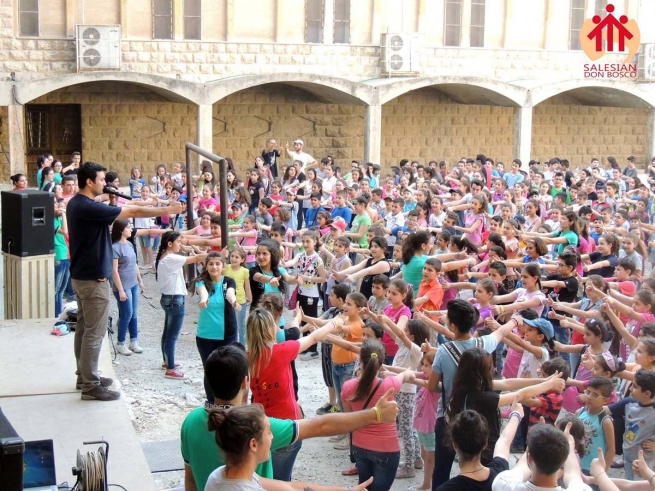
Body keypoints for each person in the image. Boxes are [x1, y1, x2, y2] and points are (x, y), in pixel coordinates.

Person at [181, 344, 399, 491]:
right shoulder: (252, 425)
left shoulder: (194, 427)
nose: (272, 437)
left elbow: (292, 487)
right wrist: (375, 414)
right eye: (269, 434)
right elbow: (321, 425)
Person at [66, 162, 182, 401]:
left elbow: (120, 209)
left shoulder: (80, 204)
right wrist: (167, 209)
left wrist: (111, 198)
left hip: (83, 277)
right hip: (93, 280)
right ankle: (90, 384)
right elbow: (134, 212)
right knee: (94, 333)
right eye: (101, 180)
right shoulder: (86, 206)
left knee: (86, 329)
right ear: (89, 182)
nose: (104, 184)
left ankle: (84, 375)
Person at [154, 230, 207, 380]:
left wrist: (185, 248)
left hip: (168, 298)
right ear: (170, 244)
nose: (180, 244)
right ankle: (170, 369)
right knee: (172, 336)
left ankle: (167, 361)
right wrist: (216, 256)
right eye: (178, 242)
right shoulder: (170, 258)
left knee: (167, 333)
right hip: (175, 300)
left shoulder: (165, 257)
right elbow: (196, 258)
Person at [193, 252, 239, 402]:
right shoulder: (201, 281)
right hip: (206, 335)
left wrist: (233, 302)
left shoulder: (229, 281)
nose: (214, 267)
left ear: (223, 266)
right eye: (211, 264)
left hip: (227, 334)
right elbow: (203, 292)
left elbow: (230, 293)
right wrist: (204, 299)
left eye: (218, 264)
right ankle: (211, 402)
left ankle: (227, 401)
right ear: (206, 266)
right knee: (209, 370)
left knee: (227, 369)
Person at [492, 424, 591, 491]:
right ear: (563, 461)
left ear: (529, 457)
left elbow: (521, 467)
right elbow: (572, 474)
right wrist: (570, 444)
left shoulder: (504, 484)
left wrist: (534, 442)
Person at [111, 220, 145, 356]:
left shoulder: (130, 244)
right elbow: (114, 271)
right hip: (123, 285)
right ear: (121, 230)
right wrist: (120, 290)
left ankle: (134, 341)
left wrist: (140, 281)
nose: (131, 229)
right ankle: (120, 343)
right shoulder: (114, 247)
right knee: (126, 314)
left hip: (133, 283)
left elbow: (135, 264)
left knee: (134, 313)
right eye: (128, 227)